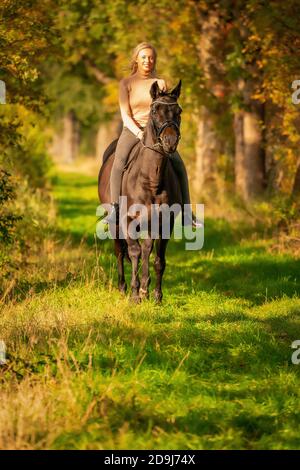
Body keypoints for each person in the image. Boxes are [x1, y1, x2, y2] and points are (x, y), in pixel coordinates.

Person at [104, 42, 201, 227]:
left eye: (150, 57)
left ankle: (187, 213)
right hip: (133, 130)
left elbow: (164, 110)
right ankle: (115, 209)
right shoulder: (126, 83)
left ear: (154, 60)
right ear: (136, 60)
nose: (147, 61)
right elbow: (125, 114)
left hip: (157, 133)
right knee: (118, 162)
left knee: (179, 165)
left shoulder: (161, 83)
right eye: (143, 57)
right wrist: (139, 133)